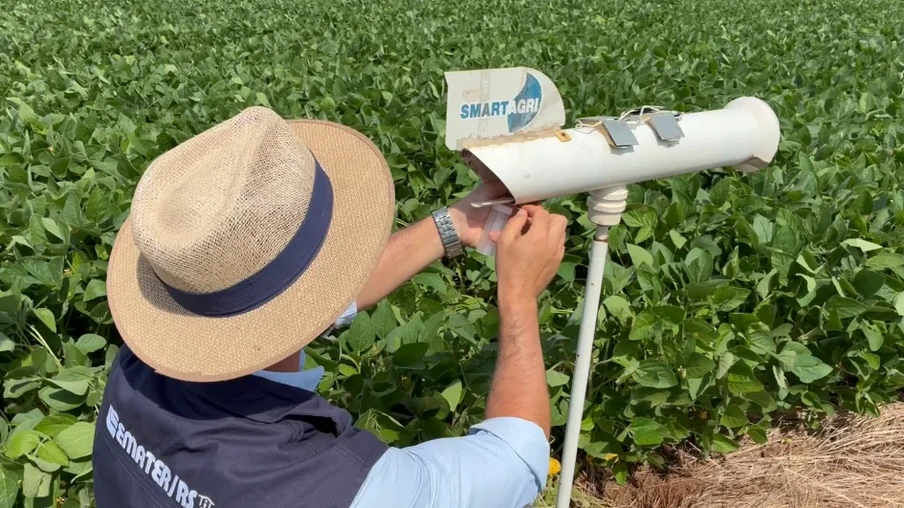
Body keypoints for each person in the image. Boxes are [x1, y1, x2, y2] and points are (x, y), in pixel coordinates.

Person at [92, 106, 568, 508]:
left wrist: (456, 223)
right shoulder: (325, 485)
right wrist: (518, 296)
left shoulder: (138, 369)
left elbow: (292, 306)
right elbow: (516, 459)